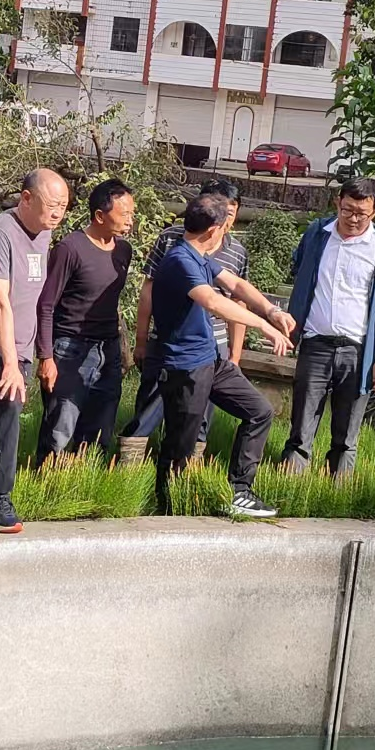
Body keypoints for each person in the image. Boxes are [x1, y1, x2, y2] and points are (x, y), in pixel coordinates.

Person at [152, 193, 295, 519]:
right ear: (213, 230)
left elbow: (236, 284)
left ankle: (240, 491)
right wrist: (262, 326)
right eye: (225, 224)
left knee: (259, 411)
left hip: (211, 360)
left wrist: (272, 311)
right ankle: (168, 513)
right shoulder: (180, 261)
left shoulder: (201, 257)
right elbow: (213, 302)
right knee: (180, 447)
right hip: (184, 367)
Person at [0, 167, 70, 533]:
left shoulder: (45, 232)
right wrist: (10, 363)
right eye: (52, 204)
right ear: (26, 198)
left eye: (64, 206)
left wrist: (40, 352)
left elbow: (37, 296)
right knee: (9, 400)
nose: (58, 213)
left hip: (20, 345)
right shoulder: (0, 232)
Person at [279, 177, 375, 478]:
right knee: (301, 426)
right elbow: (300, 271)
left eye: (361, 213)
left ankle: (338, 493)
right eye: (347, 209)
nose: (352, 218)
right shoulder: (317, 234)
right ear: (337, 202)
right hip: (315, 343)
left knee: (347, 434)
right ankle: (288, 486)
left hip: (359, 351)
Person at [120, 177, 251, 456]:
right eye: (220, 210)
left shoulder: (237, 251)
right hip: (169, 341)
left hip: (213, 346)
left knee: (199, 417)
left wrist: (235, 356)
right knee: (150, 406)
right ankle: (129, 466)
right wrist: (141, 340)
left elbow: (237, 300)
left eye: (231, 211)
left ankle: (186, 471)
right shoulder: (172, 240)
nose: (227, 219)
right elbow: (149, 290)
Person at [33, 177, 135, 465]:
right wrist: (46, 357)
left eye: (132, 213)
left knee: (101, 427)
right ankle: (47, 481)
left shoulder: (123, 250)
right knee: (60, 428)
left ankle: (86, 481)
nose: (130, 220)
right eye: (124, 213)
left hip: (108, 349)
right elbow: (46, 304)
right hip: (70, 347)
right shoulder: (70, 248)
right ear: (100, 215)